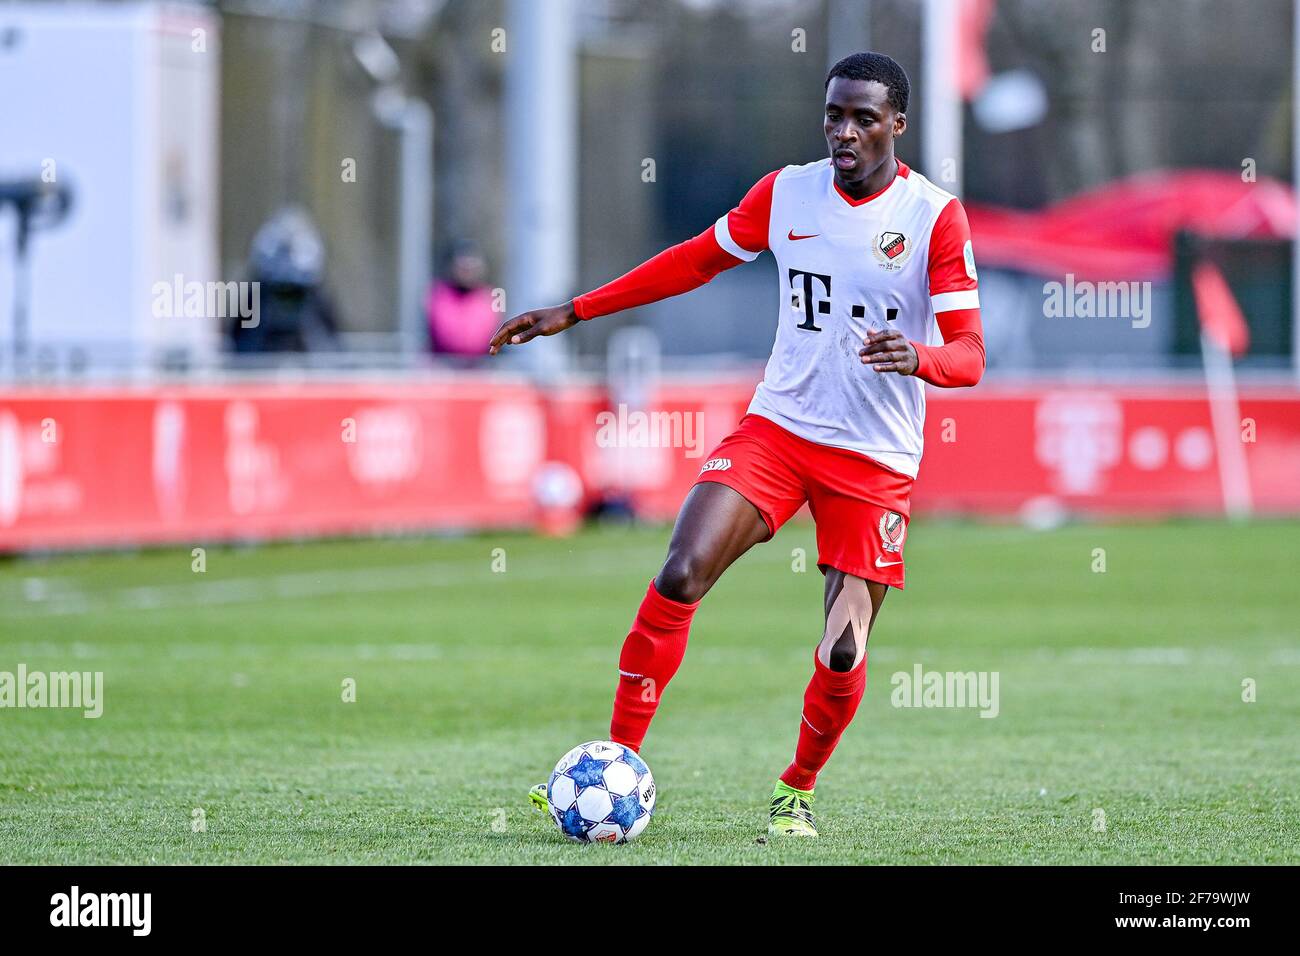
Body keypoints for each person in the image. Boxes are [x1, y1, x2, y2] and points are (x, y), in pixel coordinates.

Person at [491, 52, 985, 838]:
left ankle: (798, 788)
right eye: (833, 114)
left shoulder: (933, 217)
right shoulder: (786, 191)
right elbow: (692, 262)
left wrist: (918, 356)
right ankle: (617, 759)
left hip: (875, 459)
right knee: (681, 571)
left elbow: (969, 355)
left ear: (897, 123)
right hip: (779, 431)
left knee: (844, 651)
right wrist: (575, 311)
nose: (843, 131)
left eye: (863, 117)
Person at [426, 241, 499, 359]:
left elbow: (488, 335)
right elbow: (446, 335)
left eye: (472, 267)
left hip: (482, 365)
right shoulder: (439, 294)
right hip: (442, 365)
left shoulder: (492, 296)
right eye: (463, 268)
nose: (467, 273)